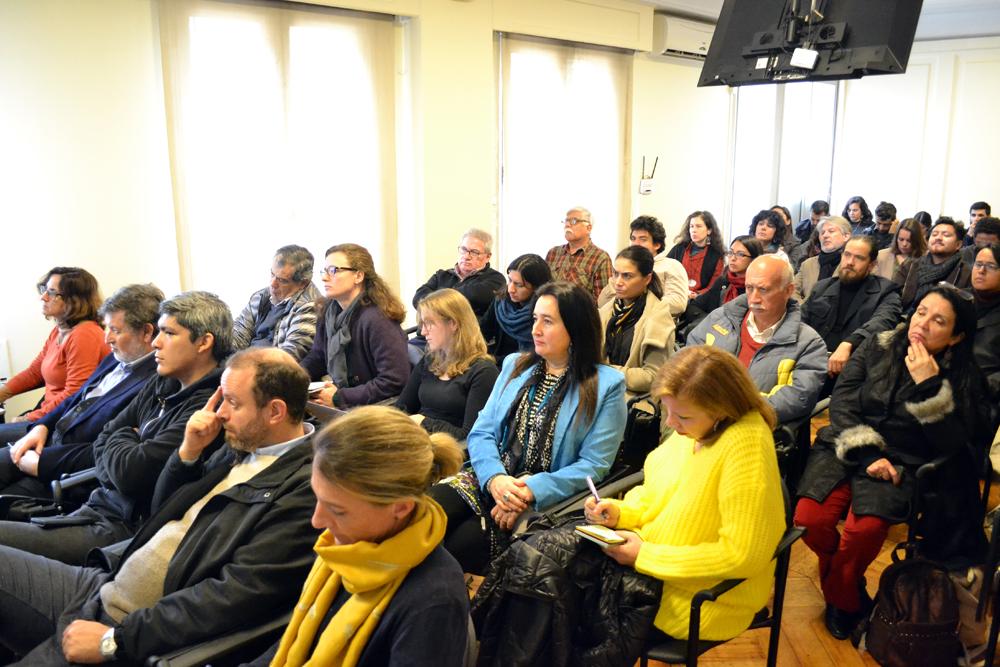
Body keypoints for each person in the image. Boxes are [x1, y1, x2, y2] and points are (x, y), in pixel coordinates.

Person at [0, 348, 322, 665]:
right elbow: (162, 509)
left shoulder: (303, 492)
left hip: (128, 626)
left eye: (233, 403)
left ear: (275, 412)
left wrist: (115, 641)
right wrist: (188, 452)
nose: (220, 413)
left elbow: (228, 599)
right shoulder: (243, 443)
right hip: (105, 583)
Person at [795, 284, 992, 640]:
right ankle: (849, 593)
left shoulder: (963, 376)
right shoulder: (878, 344)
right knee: (808, 520)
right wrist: (868, 453)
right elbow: (843, 402)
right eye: (920, 312)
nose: (922, 324)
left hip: (901, 462)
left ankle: (843, 603)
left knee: (864, 531)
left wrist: (928, 386)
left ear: (956, 337)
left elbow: (952, 444)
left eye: (938, 321)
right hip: (846, 446)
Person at [0, 291, 232, 565]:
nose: (156, 343)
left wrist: (121, 442)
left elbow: (131, 474)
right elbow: (107, 435)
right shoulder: (163, 382)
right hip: (96, 505)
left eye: (168, 333)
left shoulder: (207, 407)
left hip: (122, 527)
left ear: (204, 342)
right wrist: (126, 440)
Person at [583, 345, 785, 641]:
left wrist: (646, 555)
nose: (670, 423)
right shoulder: (696, 429)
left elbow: (743, 555)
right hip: (651, 569)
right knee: (545, 567)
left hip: (697, 599)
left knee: (562, 597)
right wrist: (620, 512)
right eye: (667, 411)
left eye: (683, 417)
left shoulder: (747, 447)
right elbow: (656, 492)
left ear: (722, 410)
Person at [247, 406, 469, 667]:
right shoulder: (350, 551)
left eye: (338, 510)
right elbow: (295, 646)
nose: (317, 521)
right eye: (318, 499)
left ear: (400, 507)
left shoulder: (433, 602)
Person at [430, 282, 627, 573]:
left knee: (458, 546)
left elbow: (594, 465)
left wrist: (528, 491)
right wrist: (495, 479)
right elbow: (482, 431)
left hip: (543, 497)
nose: (535, 329)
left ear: (575, 328)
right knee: (426, 513)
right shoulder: (515, 365)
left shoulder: (606, 385)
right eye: (535, 319)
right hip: (490, 477)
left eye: (547, 321)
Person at [0, 284, 163, 498]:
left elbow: (106, 447)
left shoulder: (153, 382)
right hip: (49, 438)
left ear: (146, 332)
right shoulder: (115, 359)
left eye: (115, 330)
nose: (107, 338)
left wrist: (43, 463)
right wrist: (42, 425)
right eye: (107, 328)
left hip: (65, 468)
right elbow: (76, 399)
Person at [688, 255, 827, 425]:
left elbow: (797, 398)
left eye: (763, 290)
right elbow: (687, 361)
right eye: (749, 288)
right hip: (702, 417)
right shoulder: (720, 318)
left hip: (755, 429)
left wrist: (732, 408)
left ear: (788, 291)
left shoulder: (809, 343)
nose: (753, 298)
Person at [0, 267, 109, 441]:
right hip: (48, 415)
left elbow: (74, 394)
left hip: (63, 422)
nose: (43, 297)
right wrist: (2, 393)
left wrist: (30, 418)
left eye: (52, 292)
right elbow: (35, 373)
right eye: (45, 290)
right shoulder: (61, 331)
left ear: (74, 299)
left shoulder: (85, 335)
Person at [300, 243, 410, 407]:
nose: (324, 277)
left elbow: (395, 380)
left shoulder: (377, 319)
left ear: (358, 276)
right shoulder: (329, 311)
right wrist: (294, 380)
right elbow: (318, 358)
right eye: (325, 271)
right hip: (347, 400)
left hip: (379, 407)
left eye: (334, 270)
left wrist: (340, 397)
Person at [801, 236, 902, 393]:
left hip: (854, 374)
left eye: (859, 258)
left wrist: (848, 344)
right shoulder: (822, 288)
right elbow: (800, 323)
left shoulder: (886, 292)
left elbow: (882, 322)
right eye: (847, 255)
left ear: (872, 265)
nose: (850, 262)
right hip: (811, 365)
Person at [396, 289, 500, 441]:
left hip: (449, 454)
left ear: (453, 324)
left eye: (429, 324)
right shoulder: (430, 361)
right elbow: (402, 408)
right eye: (422, 324)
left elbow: (470, 437)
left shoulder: (483, 372)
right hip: (417, 441)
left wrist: (424, 422)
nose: (423, 332)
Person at [599, 246, 675, 398]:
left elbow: (653, 377)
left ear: (647, 279)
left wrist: (604, 371)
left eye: (627, 276)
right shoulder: (606, 311)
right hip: (602, 389)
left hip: (634, 399)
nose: (618, 282)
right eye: (615, 274)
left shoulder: (658, 317)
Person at [231, 245, 322, 361]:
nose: (272, 284)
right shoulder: (261, 296)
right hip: (246, 364)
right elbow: (238, 335)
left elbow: (289, 356)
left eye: (282, 280)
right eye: (272, 274)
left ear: (303, 283)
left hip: (272, 370)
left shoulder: (311, 307)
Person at [597, 215, 688, 316]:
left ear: (657, 244)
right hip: (618, 320)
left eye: (643, 239)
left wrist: (636, 305)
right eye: (633, 238)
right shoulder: (624, 266)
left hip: (655, 322)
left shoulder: (671, 266)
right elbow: (602, 302)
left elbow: (678, 304)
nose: (636, 244)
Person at [413, 228, 506, 319]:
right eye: (464, 249)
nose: (466, 256)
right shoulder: (441, 275)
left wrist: (435, 297)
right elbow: (418, 299)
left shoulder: (495, 279)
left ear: (487, 256)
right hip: (427, 332)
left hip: (467, 334)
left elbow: (473, 297)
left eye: (474, 252)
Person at [682, 236, 764, 337]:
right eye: (731, 252)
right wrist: (712, 321)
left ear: (754, 259)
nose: (733, 258)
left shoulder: (756, 290)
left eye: (740, 254)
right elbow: (695, 306)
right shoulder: (724, 282)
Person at [479, 253, 551, 366]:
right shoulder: (501, 301)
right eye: (510, 280)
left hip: (530, 368)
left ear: (537, 287)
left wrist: (491, 359)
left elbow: (536, 357)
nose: (510, 289)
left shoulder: (546, 310)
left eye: (519, 285)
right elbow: (482, 332)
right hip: (498, 365)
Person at [895, 217, 972, 312]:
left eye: (946, 235)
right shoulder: (910, 265)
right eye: (934, 234)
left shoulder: (966, 273)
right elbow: (892, 297)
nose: (938, 238)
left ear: (958, 245)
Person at [545, 206, 613, 302]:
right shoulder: (553, 253)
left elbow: (603, 302)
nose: (567, 225)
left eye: (573, 221)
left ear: (588, 228)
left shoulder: (600, 258)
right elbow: (544, 288)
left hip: (580, 315)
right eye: (565, 221)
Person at [667, 210, 726, 298]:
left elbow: (714, 286)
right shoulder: (679, 249)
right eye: (691, 226)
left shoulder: (716, 255)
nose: (694, 230)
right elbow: (666, 271)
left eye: (698, 226)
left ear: (709, 230)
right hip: (677, 295)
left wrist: (697, 295)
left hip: (702, 300)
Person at [794, 216, 851, 301]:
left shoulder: (852, 263)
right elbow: (791, 290)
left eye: (831, 231)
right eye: (822, 232)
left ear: (846, 236)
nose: (825, 235)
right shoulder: (808, 264)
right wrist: (804, 308)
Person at [972, 242, 1000, 397]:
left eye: (991, 266)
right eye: (978, 264)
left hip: (982, 396)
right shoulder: (956, 299)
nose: (981, 271)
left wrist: (982, 387)